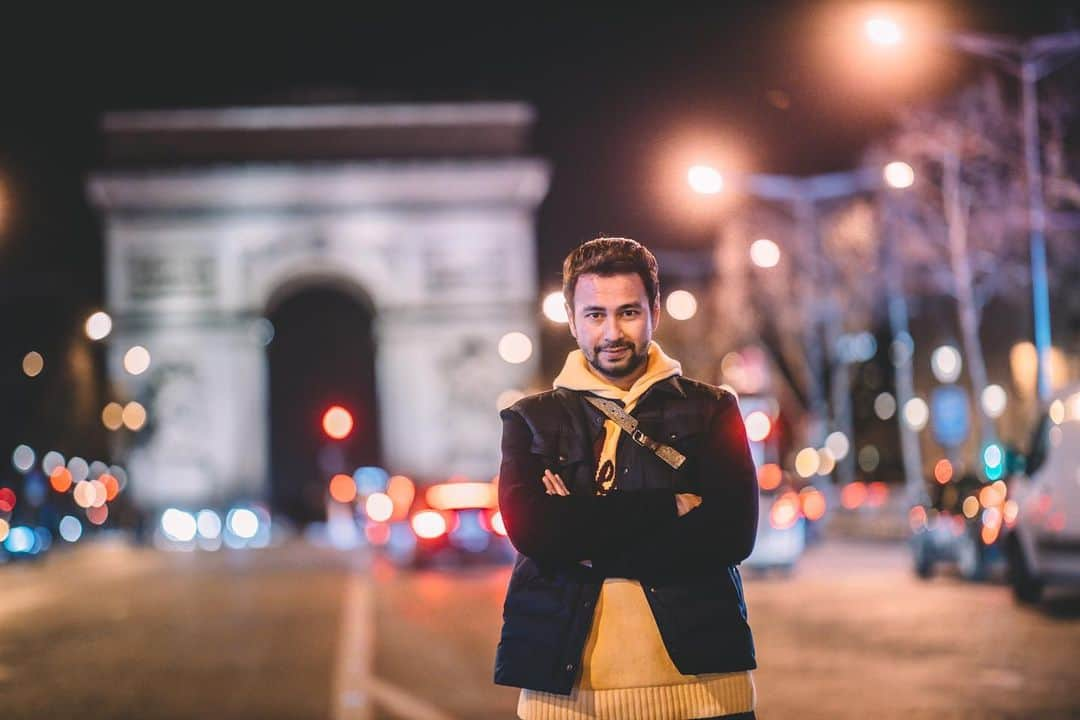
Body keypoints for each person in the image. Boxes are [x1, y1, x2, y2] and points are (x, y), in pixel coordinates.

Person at [494, 237, 759, 720]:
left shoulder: (714, 408)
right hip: (567, 700)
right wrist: (668, 508)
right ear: (572, 319)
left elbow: (733, 534)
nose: (612, 331)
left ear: (655, 311)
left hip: (705, 692)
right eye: (595, 314)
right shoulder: (528, 420)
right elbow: (535, 532)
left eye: (628, 312)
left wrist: (580, 530)